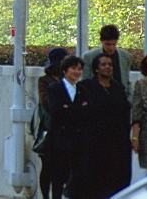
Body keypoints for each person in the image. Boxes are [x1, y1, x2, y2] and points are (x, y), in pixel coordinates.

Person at [72, 53, 132, 199]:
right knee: (94, 181)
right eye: (103, 64)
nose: (107, 67)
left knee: (116, 179)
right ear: (96, 68)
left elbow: (124, 112)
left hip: (116, 141)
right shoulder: (86, 87)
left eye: (110, 64)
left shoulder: (118, 87)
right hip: (94, 142)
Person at [44, 55, 86, 199]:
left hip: (78, 141)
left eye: (79, 69)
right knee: (58, 178)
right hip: (59, 142)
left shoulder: (83, 89)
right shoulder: (55, 88)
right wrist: (77, 109)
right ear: (65, 70)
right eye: (73, 68)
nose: (77, 72)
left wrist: (70, 108)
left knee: (77, 178)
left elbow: (87, 113)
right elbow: (57, 112)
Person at [36, 48, 67, 199]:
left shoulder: (67, 80)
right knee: (47, 166)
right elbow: (46, 102)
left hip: (65, 129)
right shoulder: (44, 81)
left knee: (62, 168)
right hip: (48, 128)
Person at [82, 24, 134, 94]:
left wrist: (129, 99)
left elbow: (127, 81)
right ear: (101, 41)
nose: (111, 48)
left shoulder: (126, 56)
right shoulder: (89, 57)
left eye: (114, 44)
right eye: (108, 44)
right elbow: (85, 82)